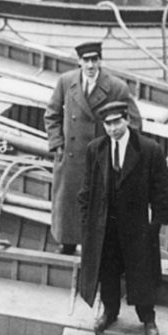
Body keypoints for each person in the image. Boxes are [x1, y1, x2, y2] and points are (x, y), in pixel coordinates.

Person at [77, 99, 168, 335]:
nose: (112, 128)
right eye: (107, 124)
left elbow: (162, 191)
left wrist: (156, 224)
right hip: (105, 225)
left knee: (141, 273)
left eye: (117, 122)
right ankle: (110, 312)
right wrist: (88, 222)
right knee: (107, 270)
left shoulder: (149, 150)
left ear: (127, 120)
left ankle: (147, 318)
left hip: (137, 226)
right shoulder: (95, 149)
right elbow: (87, 188)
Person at [44, 40, 139, 255]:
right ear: (79, 61)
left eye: (94, 60)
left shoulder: (116, 87)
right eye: (86, 60)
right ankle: (67, 244)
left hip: (102, 159)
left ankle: (96, 249)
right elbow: (52, 114)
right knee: (69, 205)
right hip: (71, 158)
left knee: (99, 206)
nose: (90, 65)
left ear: (100, 61)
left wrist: (119, 151)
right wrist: (57, 144)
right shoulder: (66, 82)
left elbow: (134, 122)